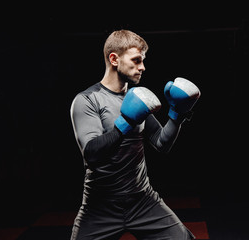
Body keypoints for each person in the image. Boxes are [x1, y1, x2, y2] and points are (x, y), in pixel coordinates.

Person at [70, 29, 200, 240]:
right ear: (114, 59)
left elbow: (161, 143)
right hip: (100, 206)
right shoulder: (87, 100)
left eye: (143, 60)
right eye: (136, 60)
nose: (142, 67)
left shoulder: (137, 98)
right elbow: (92, 154)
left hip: (142, 200)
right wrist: (127, 122)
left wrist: (176, 115)